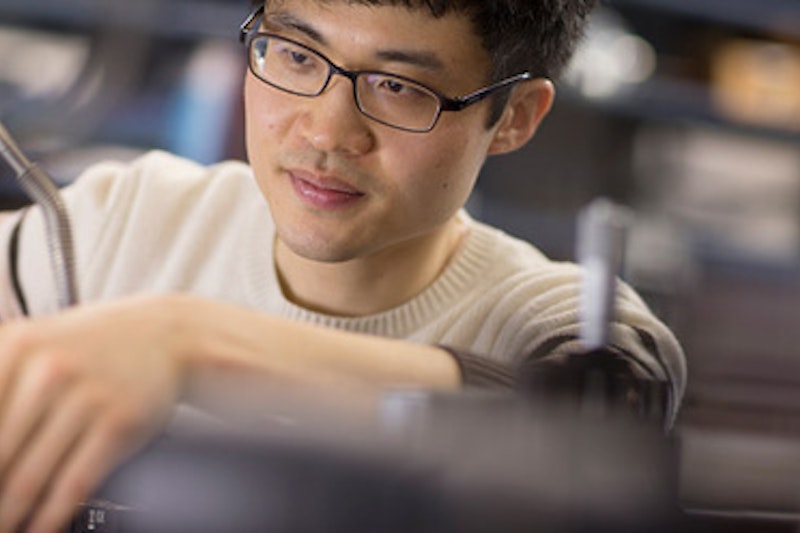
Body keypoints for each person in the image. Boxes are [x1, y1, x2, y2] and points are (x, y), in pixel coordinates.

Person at [0, 0, 686, 530]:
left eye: (398, 86)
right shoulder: (123, 225)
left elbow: (594, 430)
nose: (327, 132)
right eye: (297, 56)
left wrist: (186, 343)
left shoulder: (554, 315)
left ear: (515, 117)